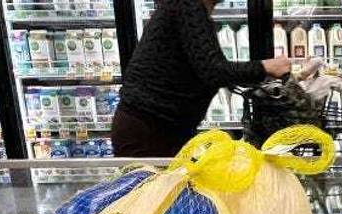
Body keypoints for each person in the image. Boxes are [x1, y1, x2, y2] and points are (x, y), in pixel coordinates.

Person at [113, 0, 291, 157]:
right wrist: (266, 67)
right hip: (149, 132)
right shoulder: (187, 5)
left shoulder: (188, 8)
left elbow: (204, 69)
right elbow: (213, 71)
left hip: (160, 129)